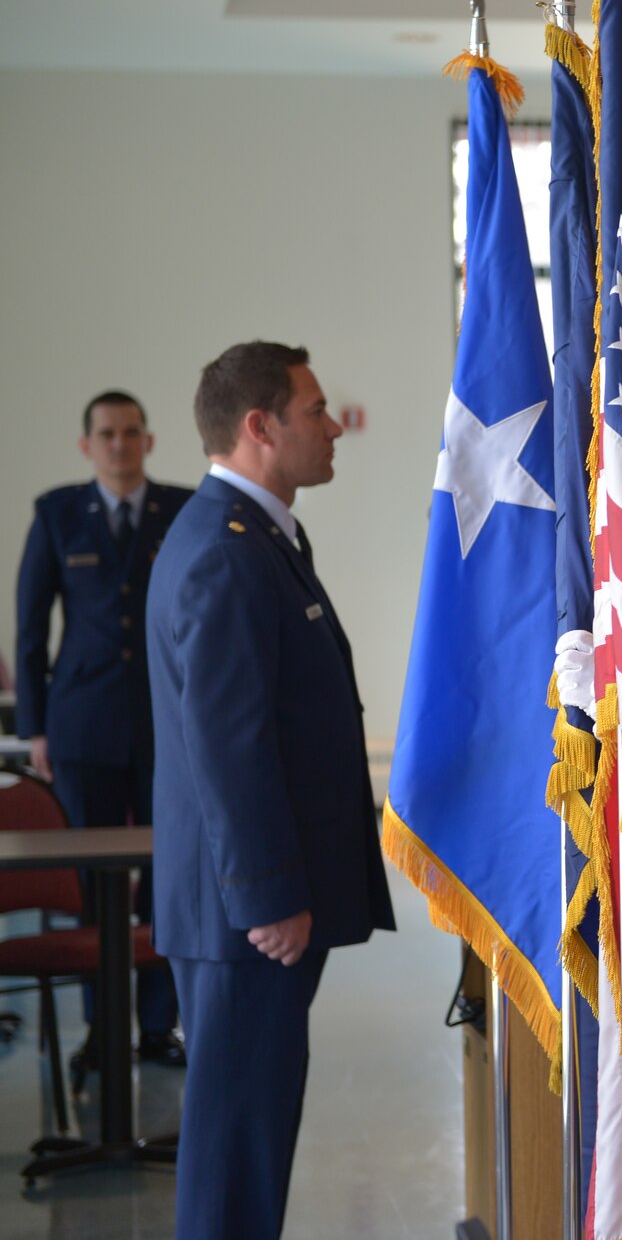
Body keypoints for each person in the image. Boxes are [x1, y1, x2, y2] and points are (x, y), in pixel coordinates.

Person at [149, 342, 395, 1240]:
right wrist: (269, 895)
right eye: (315, 410)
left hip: (248, 907)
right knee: (234, 1146)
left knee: (251, 1135)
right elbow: (228, 741)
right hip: (243, 913)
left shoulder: (255, 537)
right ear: (261, 426)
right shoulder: (225, 550)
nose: (333, 427)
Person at [14, 390, 194, 1070]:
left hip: (163, 723)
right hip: (81, 724)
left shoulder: (179, 509)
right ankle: (98, 1029)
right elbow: (31, 631)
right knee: (88, 881)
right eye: (106, 433)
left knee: (164, 873)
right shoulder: (58, 513)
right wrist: (34, 728)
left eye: (130, 432)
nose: (119, 444)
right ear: (87, 445)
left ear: (148, 440)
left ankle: (155, 1024)